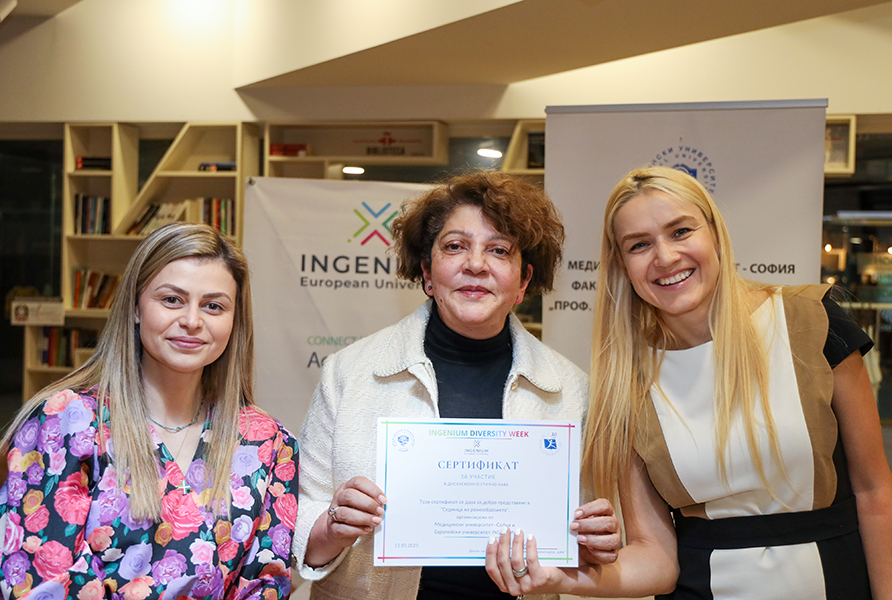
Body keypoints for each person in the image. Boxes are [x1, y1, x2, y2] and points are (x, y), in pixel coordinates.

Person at [488, 165, 892, 599]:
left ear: (715, 234)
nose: (665, 257)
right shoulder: (625, 384)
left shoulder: (812, 321)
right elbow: (656, 559)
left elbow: (874, 491)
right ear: (622, 266)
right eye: (639, 245)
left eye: (681, 231)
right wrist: (562, 578)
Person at [292, 171, 620, 600]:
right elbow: (297, 524)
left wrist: (593, 542)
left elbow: (579, 541)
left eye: (499, 250)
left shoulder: (571, 391)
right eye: (455, 246)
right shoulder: (349, 373)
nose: (476, 264)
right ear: (427, 271)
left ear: (523, 281)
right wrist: (331, 527)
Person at [0, 223, 299, 600]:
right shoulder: (66, 422)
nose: (192, 321)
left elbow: (267, 582)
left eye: (213, 306)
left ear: (234, 320)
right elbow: (37, 581)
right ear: (136, 307)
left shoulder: (270, 442)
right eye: (172, 299)